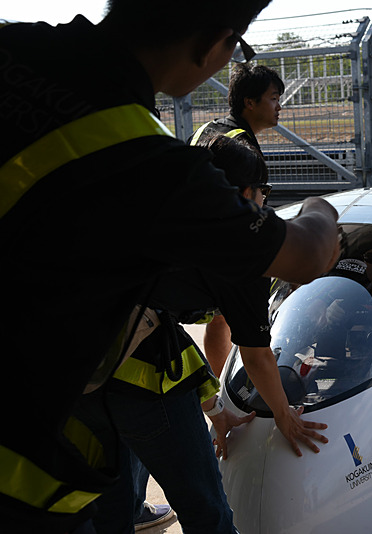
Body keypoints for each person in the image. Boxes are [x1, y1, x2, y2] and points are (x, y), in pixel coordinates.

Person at [0, 1, 339, 531]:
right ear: (214, 44)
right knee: (204, 504)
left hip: (87, 387)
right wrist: (324, 209)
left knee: (112, 494)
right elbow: (307, 257)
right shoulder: (153, 168)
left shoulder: (17, 49)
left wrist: (209, 401)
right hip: (19, 462)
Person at [88, 135, 329, 533]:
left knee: (108, 515)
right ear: (244, 193)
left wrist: (215, 409)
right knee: (206, 510)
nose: (265, 201)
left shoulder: (163, 215)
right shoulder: (240, 247)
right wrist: (284, 416)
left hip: (83, 376)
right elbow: (256, 356)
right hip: (142, 387)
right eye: (263, 190)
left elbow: (157, 325)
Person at [188, 63, 285, 377]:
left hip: (187, 241)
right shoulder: (242, 147)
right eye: (273, 98)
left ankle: (217, 382)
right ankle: (228, 385)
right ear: (250, 102)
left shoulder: (208, 129)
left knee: (218, 318)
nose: (279, 106)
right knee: (233, 318)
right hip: (216, 251)